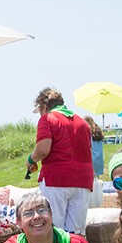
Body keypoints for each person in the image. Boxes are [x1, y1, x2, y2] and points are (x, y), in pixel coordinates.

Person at [26, 88, 94, 234]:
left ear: (44, 106)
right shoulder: (83, 122)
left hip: (56, 179)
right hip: (83, 180)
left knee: (54, 229)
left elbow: (43, 149)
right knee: (76, 232)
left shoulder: (47, 118)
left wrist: (31, 159)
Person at [87, 116, 107, 207]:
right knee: (97, 180)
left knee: (90, 180)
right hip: (99, 158)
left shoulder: (88, 133)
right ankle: (97, 198)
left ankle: (91, 199)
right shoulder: (98, 133)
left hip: (91, 158)